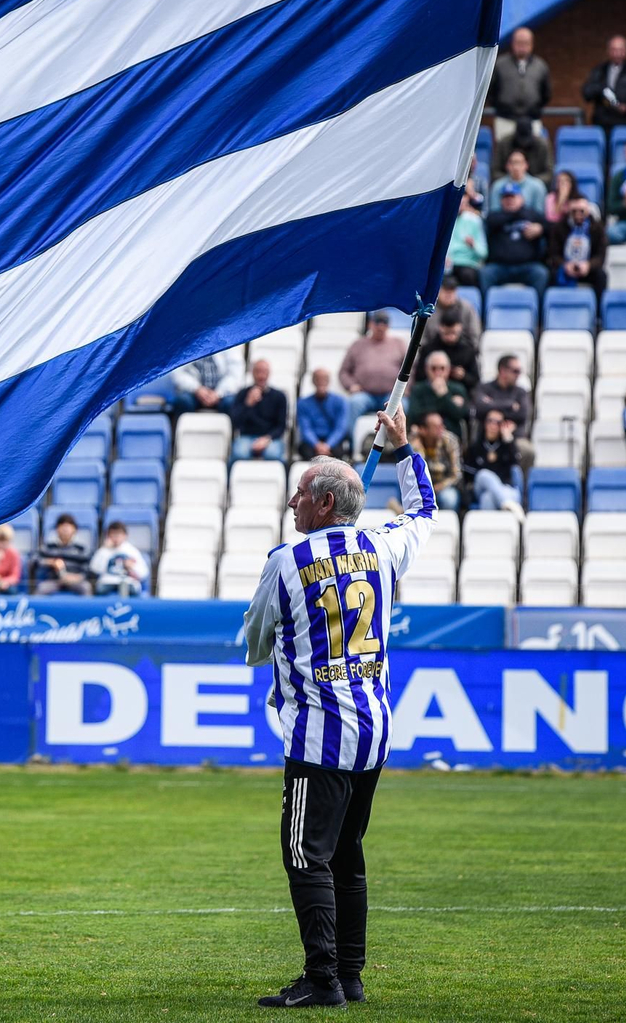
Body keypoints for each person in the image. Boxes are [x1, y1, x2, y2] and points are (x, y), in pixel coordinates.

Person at [244, 406, 433, 1011]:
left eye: (302, 491)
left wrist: (276, 657)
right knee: (347, 853)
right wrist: (404, 451)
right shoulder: (382, 547)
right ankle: (349, 975)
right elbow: (426, 511)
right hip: (374, 729)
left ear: (324, 503)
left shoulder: (285, 561)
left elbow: (254, 641)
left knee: (306, 853)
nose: (294, 500)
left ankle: (322, 978)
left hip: (318, 734)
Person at [338, 312, 405, 430]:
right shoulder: (358, 344)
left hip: (391, 394)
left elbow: (411, 370)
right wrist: (351, 385)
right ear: (370, 324)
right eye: (377, 322)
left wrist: (404, 390)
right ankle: (351, 445)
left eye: (384, 323)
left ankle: (396, 445)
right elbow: (343, 372)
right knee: (353, 403)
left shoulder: (399, 344)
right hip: (365, 394)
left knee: (402, 406)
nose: (380, 326)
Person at [480, 183, 548, 294]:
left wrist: (540, 228)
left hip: (527, 266)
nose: (509, 200)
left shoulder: (532, 215)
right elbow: (491, 223)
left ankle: (540, 310)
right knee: (486, 273)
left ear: (521, 198)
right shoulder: (494, 216)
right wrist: (515, 214)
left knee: (541, 273)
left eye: (513, 197)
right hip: (500, 267)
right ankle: (483, 310)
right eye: (506, 197)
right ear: (501, 200)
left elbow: (549, 227)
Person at [489, 26, 550, 144]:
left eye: (525, 43)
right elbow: (491, 91)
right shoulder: (500, 65)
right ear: (513, 43)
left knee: (532, 156)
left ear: (532, 44)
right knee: (505, 155)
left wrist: (534, 108)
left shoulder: (541, 66)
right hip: (505, 120)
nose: (522, 46)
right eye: (519, 43)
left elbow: (546, 93)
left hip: (532, 120)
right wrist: (502, 107)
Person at [472, 354, 534, 464]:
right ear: (503, 371)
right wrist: (509, 405)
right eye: (515, 371)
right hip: (487, 437)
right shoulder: (484, 387)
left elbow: (522, 415)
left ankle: (519, 481)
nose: (518, 375)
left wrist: (491, 406)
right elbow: (479, 409)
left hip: (513, 437)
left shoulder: (521, 392)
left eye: (519, 371)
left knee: (528, 451)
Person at [581, 36, 626, 131]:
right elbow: (587, 92)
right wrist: (600, 89)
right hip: (602, 121)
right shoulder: (599, 70)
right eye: (613, 50)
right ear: (608, 51)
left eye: (620, 50)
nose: (617, 53)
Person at [463, 409, 524, 516]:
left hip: (505, 488)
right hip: (480, 487)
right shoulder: (476, 446)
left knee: (488, 498)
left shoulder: (507, 445)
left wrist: (508, 439)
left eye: (498, 423)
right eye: (490, 421)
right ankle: (506, 502)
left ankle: (494, 531)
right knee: (484, 474)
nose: (493, 425)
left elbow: (515, 464)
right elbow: (468, 475)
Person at [406, 350, 473, 447]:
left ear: (448, 369)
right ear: (426, 369)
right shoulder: (418, 389)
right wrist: (448, 403)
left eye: (442, 368)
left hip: (450, 435)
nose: (438, 372)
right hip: (424, 437)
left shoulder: (458, 388)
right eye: (433, 368)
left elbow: (460, 414)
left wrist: (444, 395)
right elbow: (414, 415)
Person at [546, 195, 606, 294]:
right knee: (551, 274)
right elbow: (553, 254)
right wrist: (565, 265)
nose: (578, 214)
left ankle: (599, 308)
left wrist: (588, 265)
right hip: (565, 267)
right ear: (569, 211)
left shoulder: (597, 228)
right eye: (574, 211)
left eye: (581, 211)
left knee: (601, 275)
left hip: (587, 268)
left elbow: (601, 256)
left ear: (587, 210)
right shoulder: (559, 227)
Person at [230, 358, 288, 461]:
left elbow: (281, 426)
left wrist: (266, 439)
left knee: (273, 455)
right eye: (258, 372)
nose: (261, 376)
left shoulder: (279, 396)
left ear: (269, 374)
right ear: (252, 373)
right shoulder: (242, 394)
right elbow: (236, 422)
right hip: (246, 436)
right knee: (239, 454)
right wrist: (248, 404)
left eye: (264, 372)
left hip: (270, 438)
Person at [408, 412, 461, 513]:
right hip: (420, 488)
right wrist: (418, 450)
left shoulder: (450, 441)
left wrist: (439, 487)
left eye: (442, 425)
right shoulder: (413, 442)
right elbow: (412, 474)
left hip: (443, 485)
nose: (442, 429)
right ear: (423, 430)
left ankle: (445, 527)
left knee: (450, 498)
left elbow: (456, 474)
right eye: (436, 427)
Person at [170, 347, 245, 414]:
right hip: (194, 392)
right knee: (183, 401)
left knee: (231, 403)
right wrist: (197, 389)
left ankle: (230, 429)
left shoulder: (229, 343)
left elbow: (235, 374)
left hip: (221, 393)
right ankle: (183, 429)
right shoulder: (187, 342)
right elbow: (178, 373)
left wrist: (218, 393)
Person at [418, 312, 479, 392]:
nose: (450, 337)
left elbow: (476, 380)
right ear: (440, 328)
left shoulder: (467, 350)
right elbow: (419, 376)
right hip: (430, 392)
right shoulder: (428, 349)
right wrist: (433, 374)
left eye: (453, 333)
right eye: (446, 333)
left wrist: (464, 376)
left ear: (460, 328)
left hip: (460, 392)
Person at [296, 369, 349, 461]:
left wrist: (328, 445)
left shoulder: (340, 401)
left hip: (332, 441)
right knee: (304, 451)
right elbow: (305, 428)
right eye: (317, 379)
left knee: (339, 452)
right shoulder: (303, 403)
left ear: (328, 381)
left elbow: (340, 428)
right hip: (312, 443)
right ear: (313, 381)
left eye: (324, 379)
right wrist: (317, 445)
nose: (321, 382)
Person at [33, 513, 92, 595]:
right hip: (54, 581)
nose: (65, 530)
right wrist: (51, 562)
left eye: (68, 527)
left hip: (75, 580)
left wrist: (77, 577)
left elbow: (88, 568)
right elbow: (35, 560)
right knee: (41, 588)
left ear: (75, 530)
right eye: (62, 526)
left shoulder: (81, 549)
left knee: (86, 587)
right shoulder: (48, 547)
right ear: (57, 529)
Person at [88, 521, 149, 597]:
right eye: (113, 534)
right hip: (108, 581)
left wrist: (132, 567)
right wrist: (105, 550)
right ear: (108, 536)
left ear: (125, 536)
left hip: (127, 581)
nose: (116, 538)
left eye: (118, 534)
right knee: (100, 590)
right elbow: (94, 569)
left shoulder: (132, 551)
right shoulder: (103, 550)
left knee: (131, 590)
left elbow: (144, 573)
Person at [444, 191, 486, 288]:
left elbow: (483, 253)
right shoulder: (444, 220)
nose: (460, 206)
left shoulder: (474, 220)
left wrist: (473, 244)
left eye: (463, 203)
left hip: (466, 264)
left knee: (467, 275)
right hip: (446, 264)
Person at [423, 277, 481, 346]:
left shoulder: (467, 308)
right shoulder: (429, 310)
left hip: (462, 350)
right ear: (438, 291)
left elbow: (475, 335)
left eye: (452, 291)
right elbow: (422, 338)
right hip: (433, 351)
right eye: (445, 290)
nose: (449, 295)